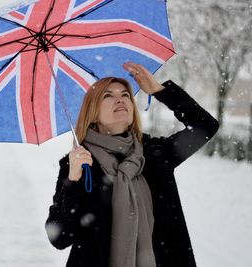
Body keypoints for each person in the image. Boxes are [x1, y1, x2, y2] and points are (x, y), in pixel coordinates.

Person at [45, 62, 219, 267]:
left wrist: (159, 90)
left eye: (125, 94)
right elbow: (60, 237)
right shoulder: (79, 162)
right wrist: (73, 182)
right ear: (93, 111)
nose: (119, 99)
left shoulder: (154, 153)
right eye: (107, 95)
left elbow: (205, 126)